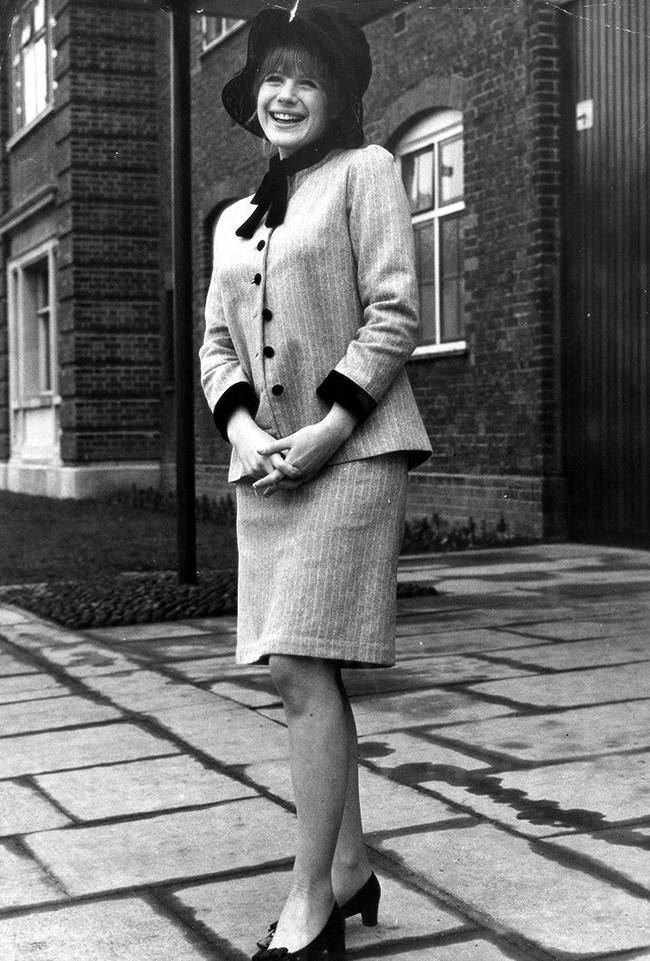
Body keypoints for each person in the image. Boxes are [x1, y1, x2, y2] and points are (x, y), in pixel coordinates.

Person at [199, 8, 431, 960]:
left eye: (306, 80)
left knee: (300, 669)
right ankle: (350, 867)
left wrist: (330, 426)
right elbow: (217, 343)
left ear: (336, 98)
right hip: (267, 467)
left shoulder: (365, 174)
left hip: (354, 454)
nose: (284, 93)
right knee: (305, 668)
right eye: (271, 79)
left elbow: (393, 313)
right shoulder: (235, 218)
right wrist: (247, 428)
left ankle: (311, 903)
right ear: (254, 102)